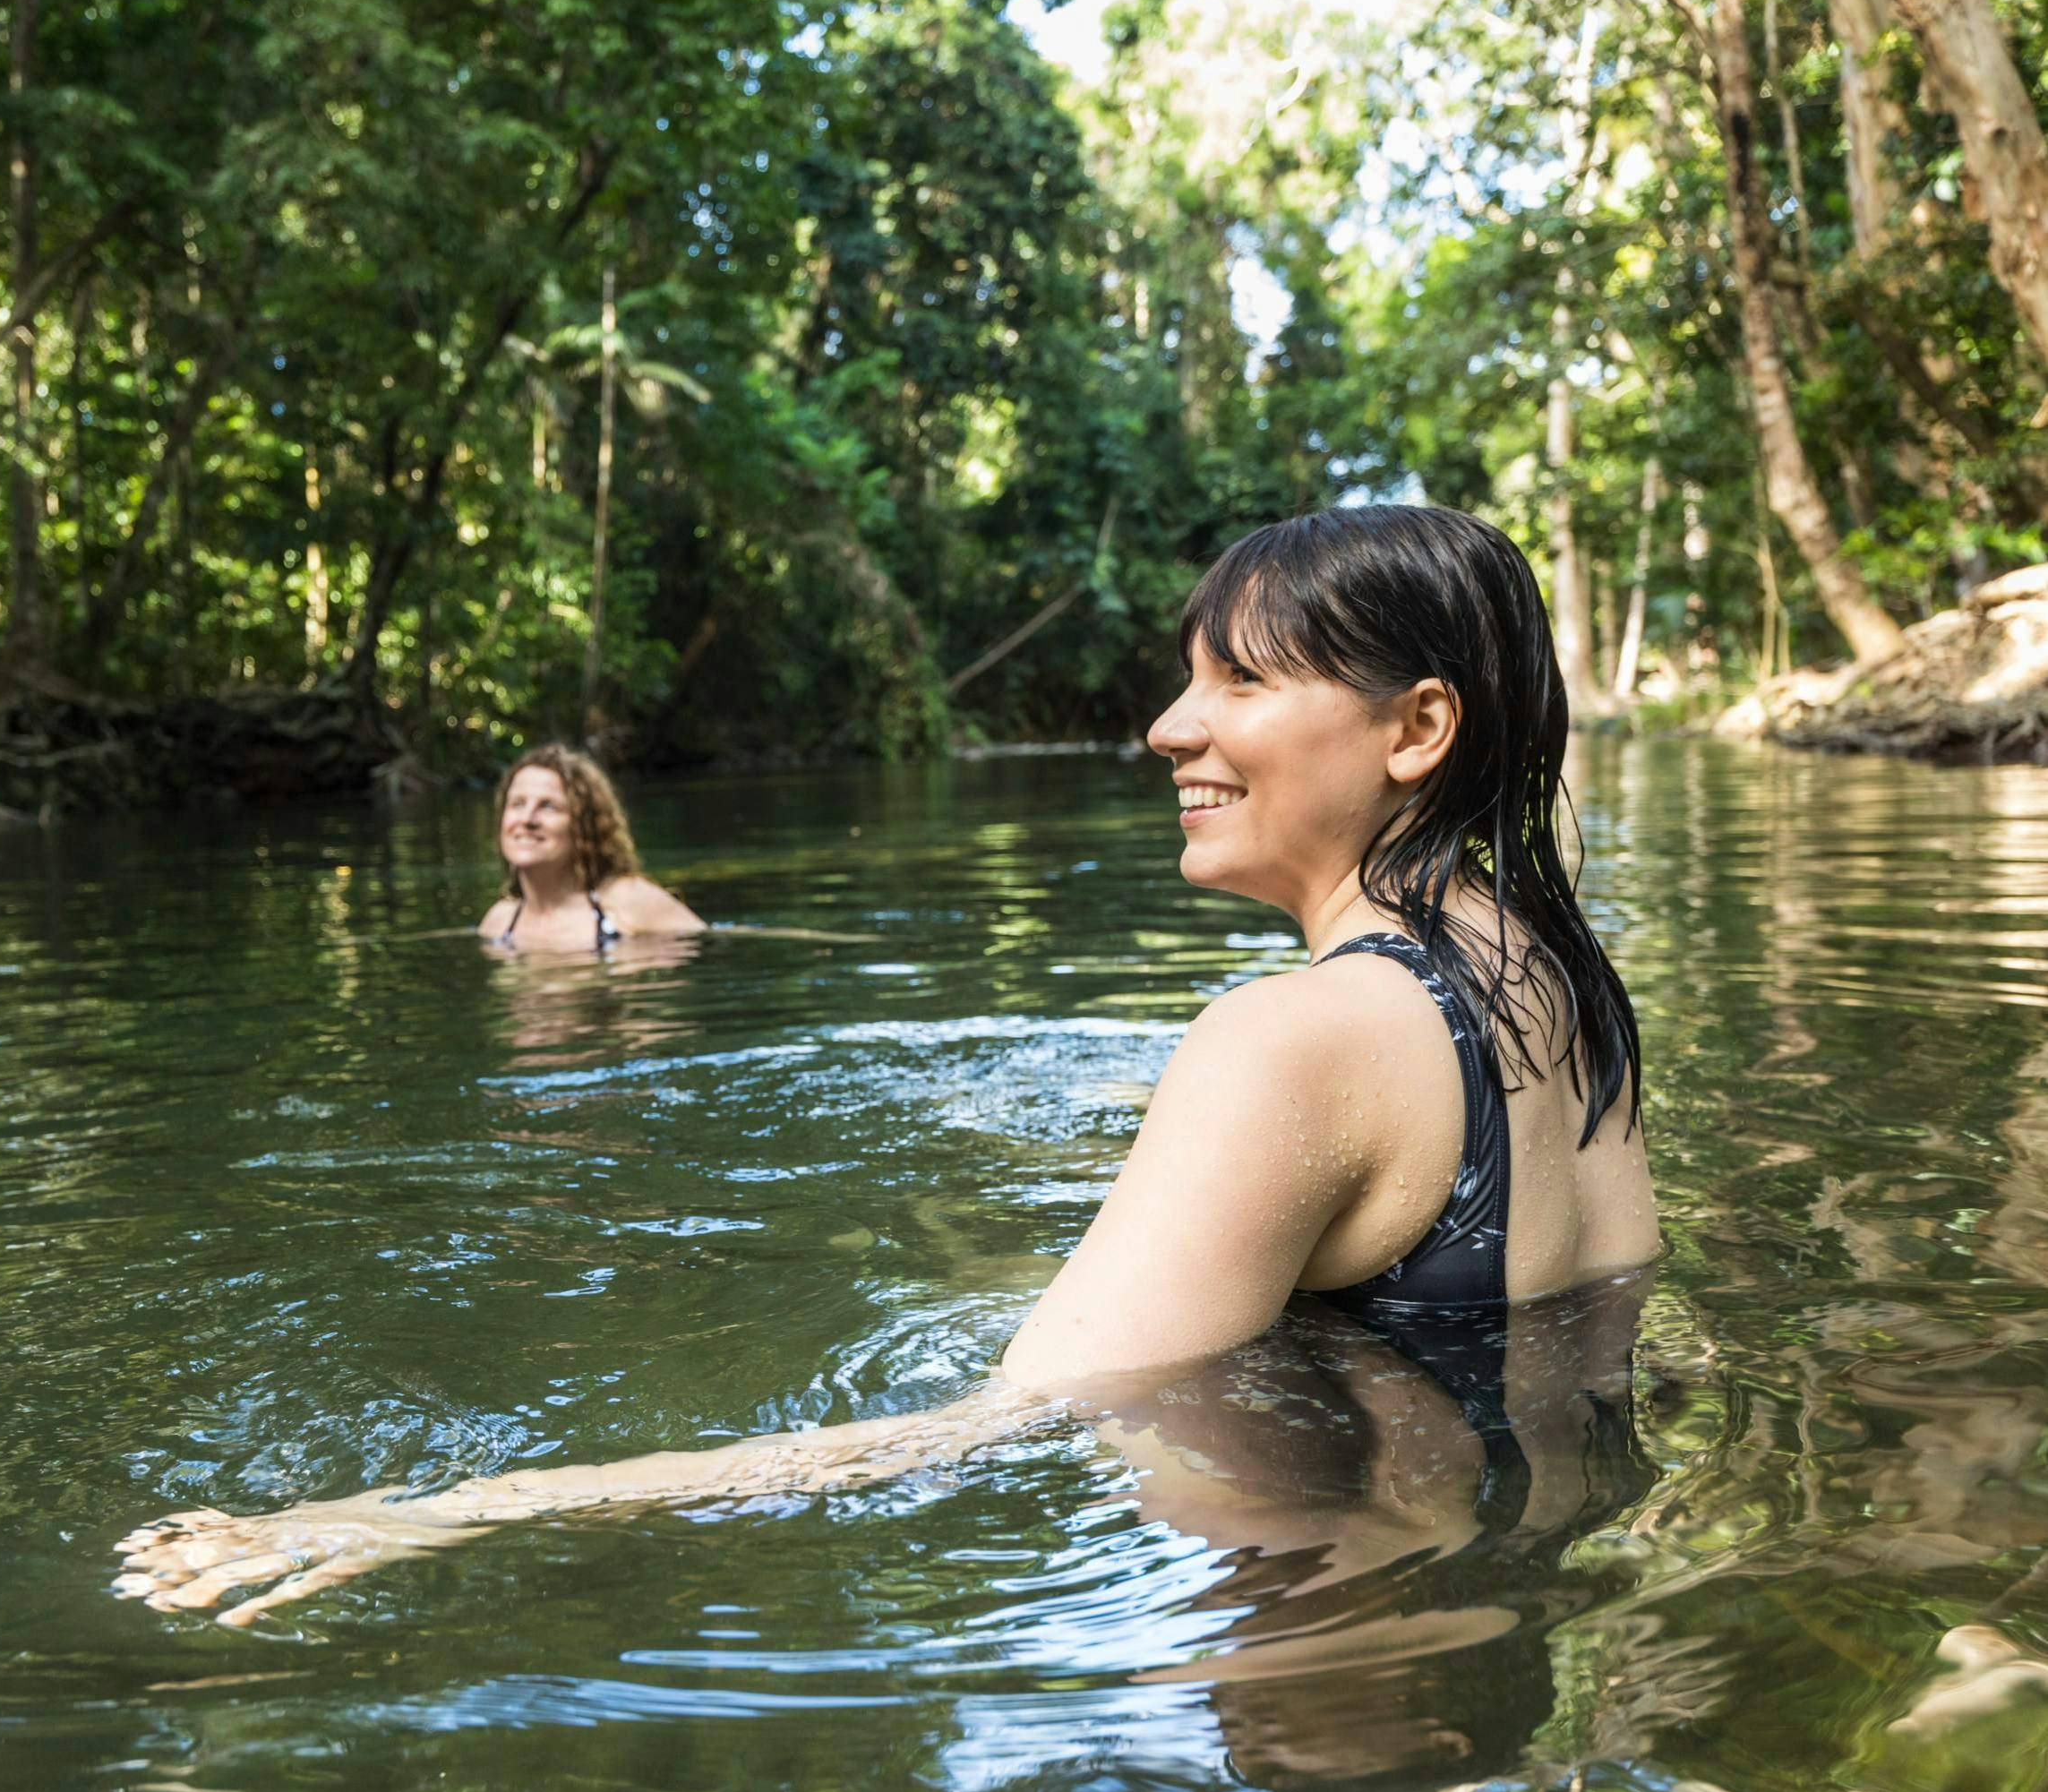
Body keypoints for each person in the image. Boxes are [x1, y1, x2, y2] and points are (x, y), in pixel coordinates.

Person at [117, 504, 1663, 1625]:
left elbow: (979, 1434)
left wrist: (421, 1516)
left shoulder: (1299, 1034)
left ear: (1417, 728)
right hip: (1488, 1602)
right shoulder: (1559, 988)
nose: (1162, 725)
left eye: (1236, 683)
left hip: (1313, 1631)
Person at [476, 744, 707, 952]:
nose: (527, 819)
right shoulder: (499, 924)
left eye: (548, 806)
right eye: (517, 804)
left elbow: (709, 953)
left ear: (583, 825)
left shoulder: (627, 902)